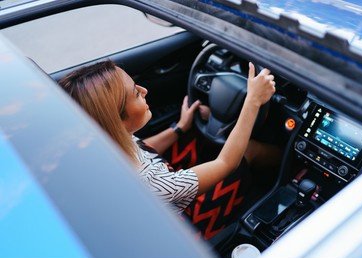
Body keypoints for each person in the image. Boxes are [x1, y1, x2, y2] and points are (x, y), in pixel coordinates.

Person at [59, 59, 279, 240]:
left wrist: (180, 128)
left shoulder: (99, 142)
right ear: (116, 120)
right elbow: (226, 163)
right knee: (248, 152)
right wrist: (253, 100)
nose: (144, 90)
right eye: (135, 93)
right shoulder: (155, 186)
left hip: (149, 214)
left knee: (195, 135)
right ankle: (291, 170)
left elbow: (142, 147)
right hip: (185, 230)